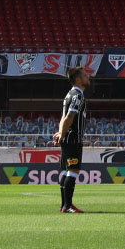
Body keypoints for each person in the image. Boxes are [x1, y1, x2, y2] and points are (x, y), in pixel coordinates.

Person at [52, 67, 90, 213]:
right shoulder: (78, 96)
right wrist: (61, 134)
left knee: (68, 171)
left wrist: (61, 133)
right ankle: (67, 206)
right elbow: (69, 117)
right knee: (73, 171)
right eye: (85, 75)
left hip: (68, 137)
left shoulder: (69, 95)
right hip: (73, 137)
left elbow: (63, 117)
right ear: (78, 79)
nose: (88, 76)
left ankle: (65, 205)